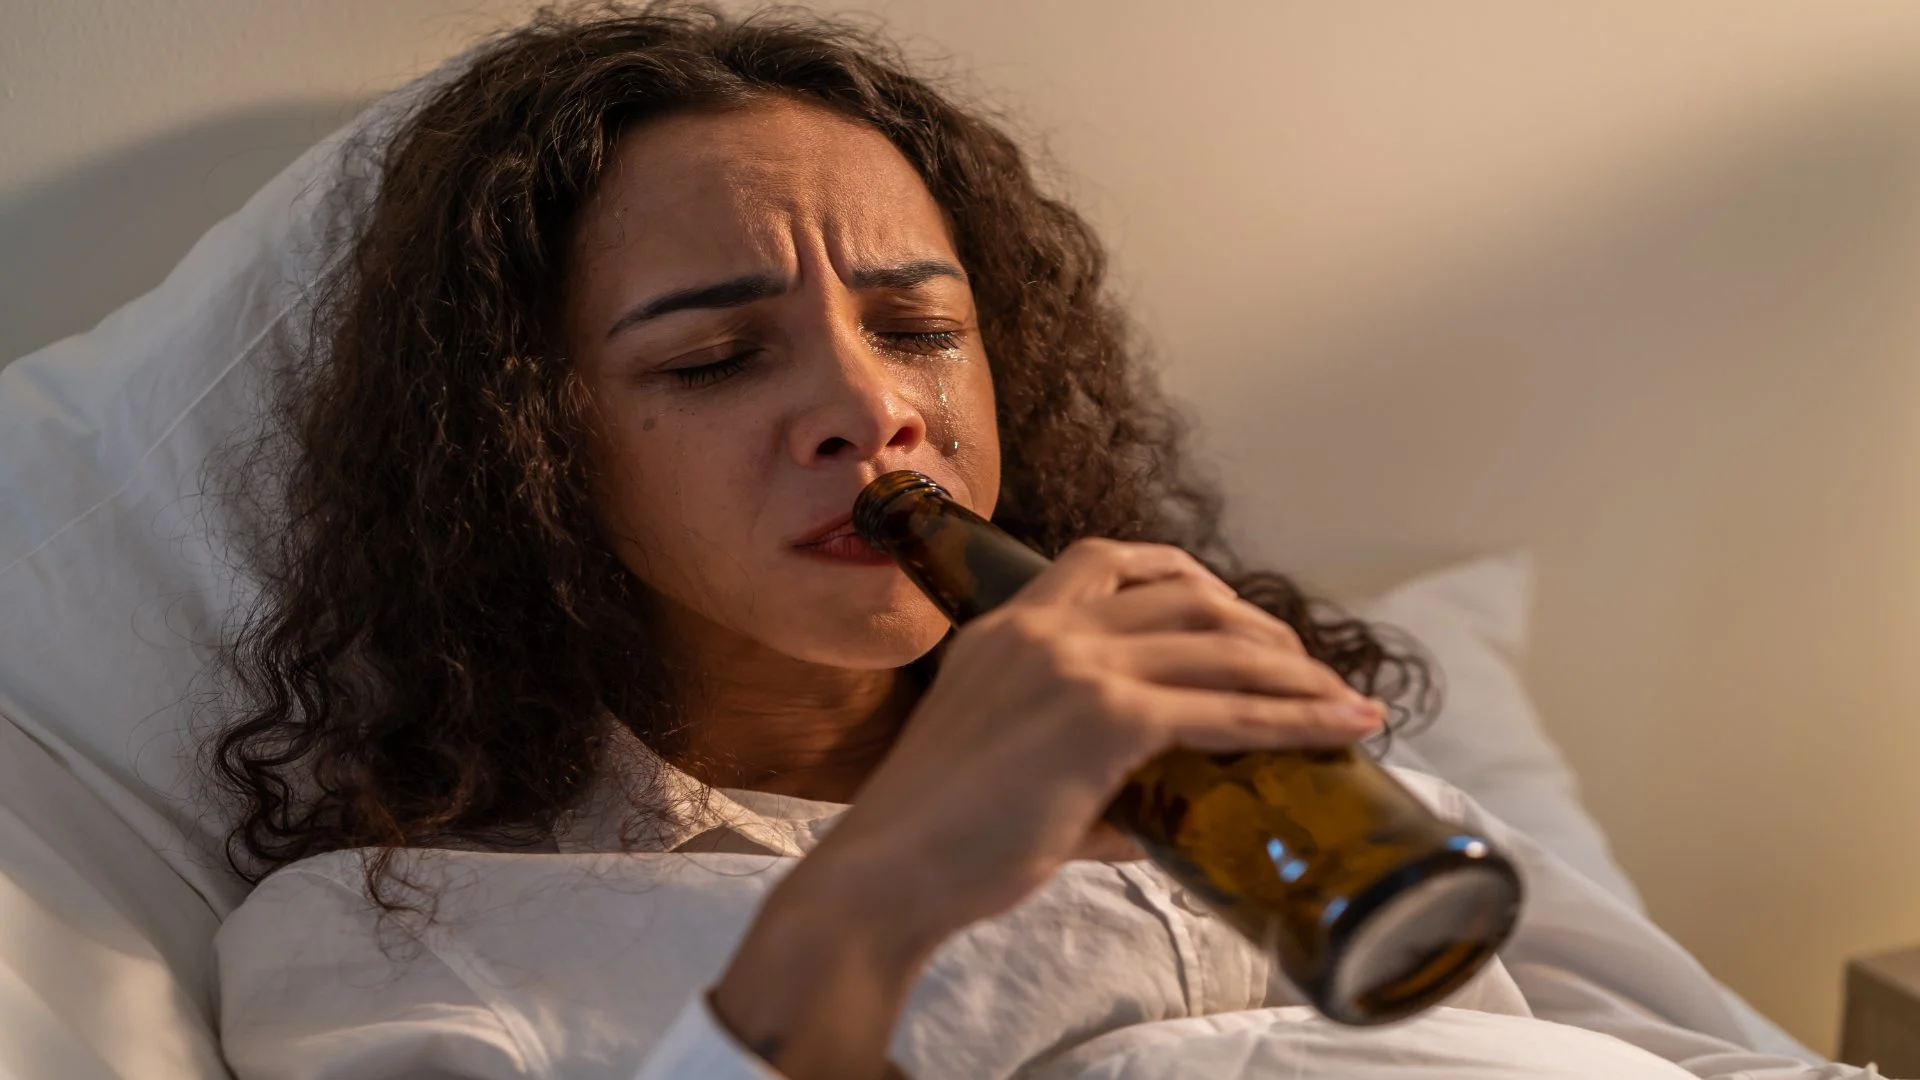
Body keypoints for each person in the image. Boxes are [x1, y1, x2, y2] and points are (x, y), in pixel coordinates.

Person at [207, 5, 1885, 1078]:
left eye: (921, 331)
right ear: (522, 450)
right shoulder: (398, 936)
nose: (873, 418)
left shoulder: (1240, 757)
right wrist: (882, 897)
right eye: (716, 361)